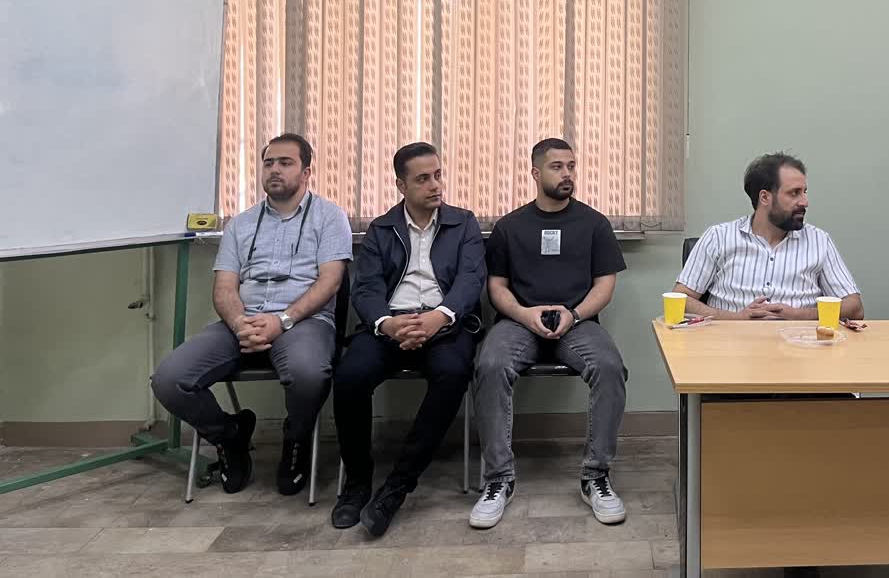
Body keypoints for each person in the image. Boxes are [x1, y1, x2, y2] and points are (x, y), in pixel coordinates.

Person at [151, 133, 352, 496]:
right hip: (242, 322)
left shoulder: (329, 217)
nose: (274, 169)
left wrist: (282, 320)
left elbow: (330, 281)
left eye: (285, 163)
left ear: (307, 172)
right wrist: (239, 322)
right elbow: (225, 287)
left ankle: (296, 439)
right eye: (268, 163)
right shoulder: (241, 224)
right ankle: (229, 436)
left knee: (309, 374)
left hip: (303, 323)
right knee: (169, 379)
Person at [469, 138, 628, 529]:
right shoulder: (510, 226)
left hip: (578, 322)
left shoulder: (594, 224)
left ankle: (596, 476)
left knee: (610, 367)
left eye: (571, 166)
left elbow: (605, 286)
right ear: (536, 172)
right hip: (518, 322)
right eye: (557, 167)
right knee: (489, 365)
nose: (567, 174)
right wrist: (525, 314)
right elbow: (496, 287)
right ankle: (498, 480)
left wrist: (574, 315)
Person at [330, 142, 486, 536]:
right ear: (401, 185)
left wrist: (438, 317)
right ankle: (357, 483)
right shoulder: (381, 229)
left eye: (438, 175)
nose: (435, 185)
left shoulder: (463, 223)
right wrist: (387, 323)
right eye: (423, 179)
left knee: (453, 373)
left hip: (444, 324)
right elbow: (366, 287)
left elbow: (471, 280)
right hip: (391, 324)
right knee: (349, 377)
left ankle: (397, 486)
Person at [673, 151, 863, 321]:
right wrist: (737, 318)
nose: (805, 202)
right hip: (731, 344)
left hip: (800, 344)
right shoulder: (718, 237)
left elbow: (854, 308)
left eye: (804, 192)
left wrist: (798, 315)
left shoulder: (819, 240)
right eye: (794, 193)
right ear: (764, 197)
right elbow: (680, 300)